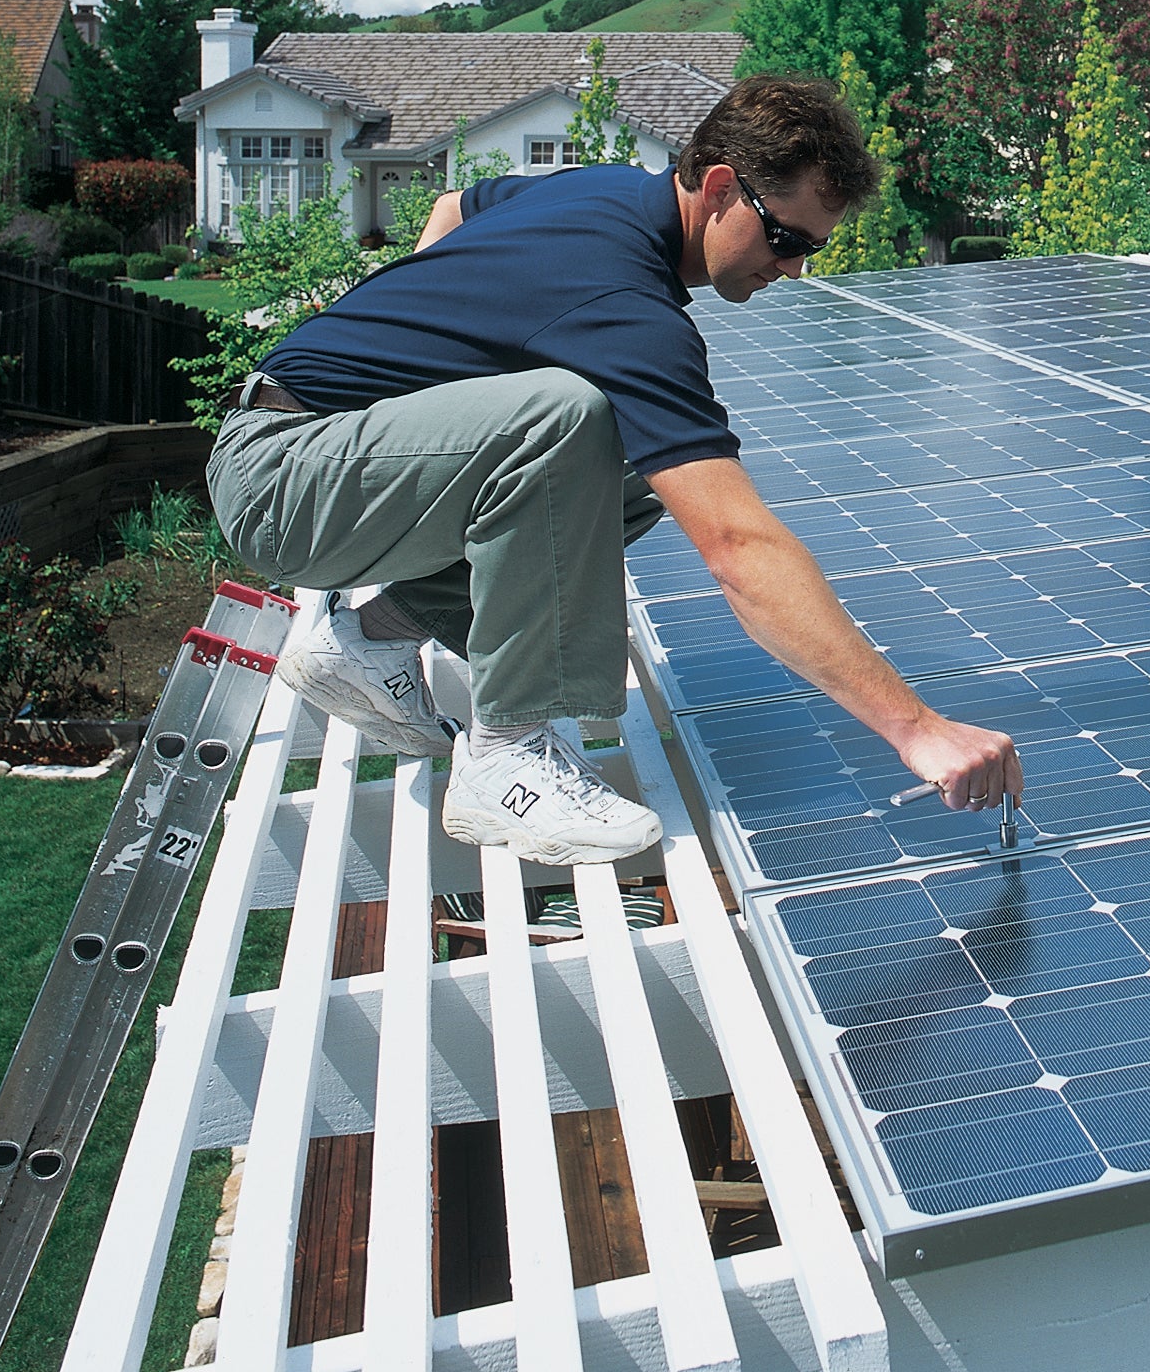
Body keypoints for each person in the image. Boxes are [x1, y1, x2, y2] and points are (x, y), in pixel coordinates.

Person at [205, 73, 1022, 865]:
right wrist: (916, 727)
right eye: (786, 239)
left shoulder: (601, 191)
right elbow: (738, 546)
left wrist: (434, 377)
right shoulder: (626, 305)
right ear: (721, 185)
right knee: (569, 419)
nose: (794, 267)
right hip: (286, 475)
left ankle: (370, 638)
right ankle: (505, 757)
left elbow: (454, 206)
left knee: (625, 469)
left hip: (315, 450)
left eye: (811, 249)